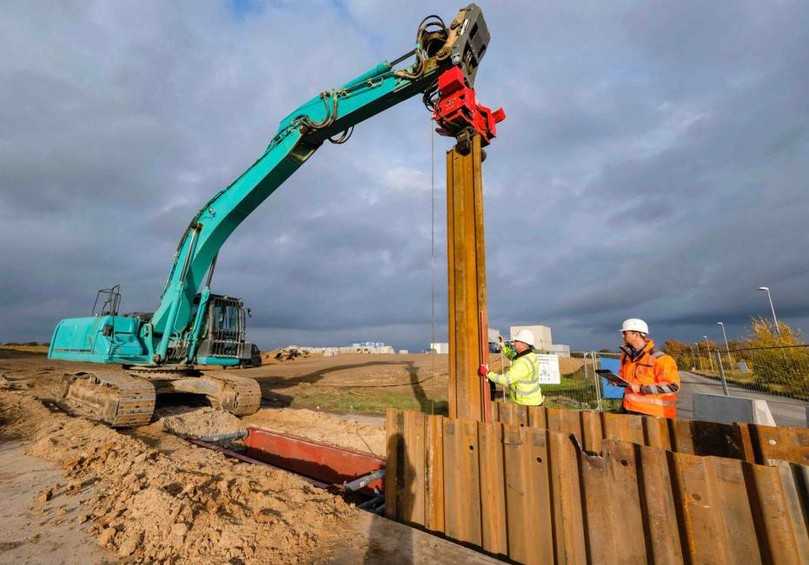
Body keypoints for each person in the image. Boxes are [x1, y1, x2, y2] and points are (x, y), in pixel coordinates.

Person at [619, 318, 680, 418]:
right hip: (629, 409)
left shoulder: (661, 359)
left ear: (636, 334)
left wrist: (641, 388)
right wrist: (617, 381)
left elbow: (673, 386)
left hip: (654, 414)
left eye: (625, 333)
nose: (623, 336)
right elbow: (624, 376)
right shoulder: (626, 357)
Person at [478, 329, 543, 406]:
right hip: (533, 400)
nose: (513, 343)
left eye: (516, 341)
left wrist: (487, 373)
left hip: (527, 404)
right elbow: (513, 357)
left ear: (522, 343)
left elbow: (505, 380)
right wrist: (503, 347)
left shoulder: (522, 363)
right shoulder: (530, 356)